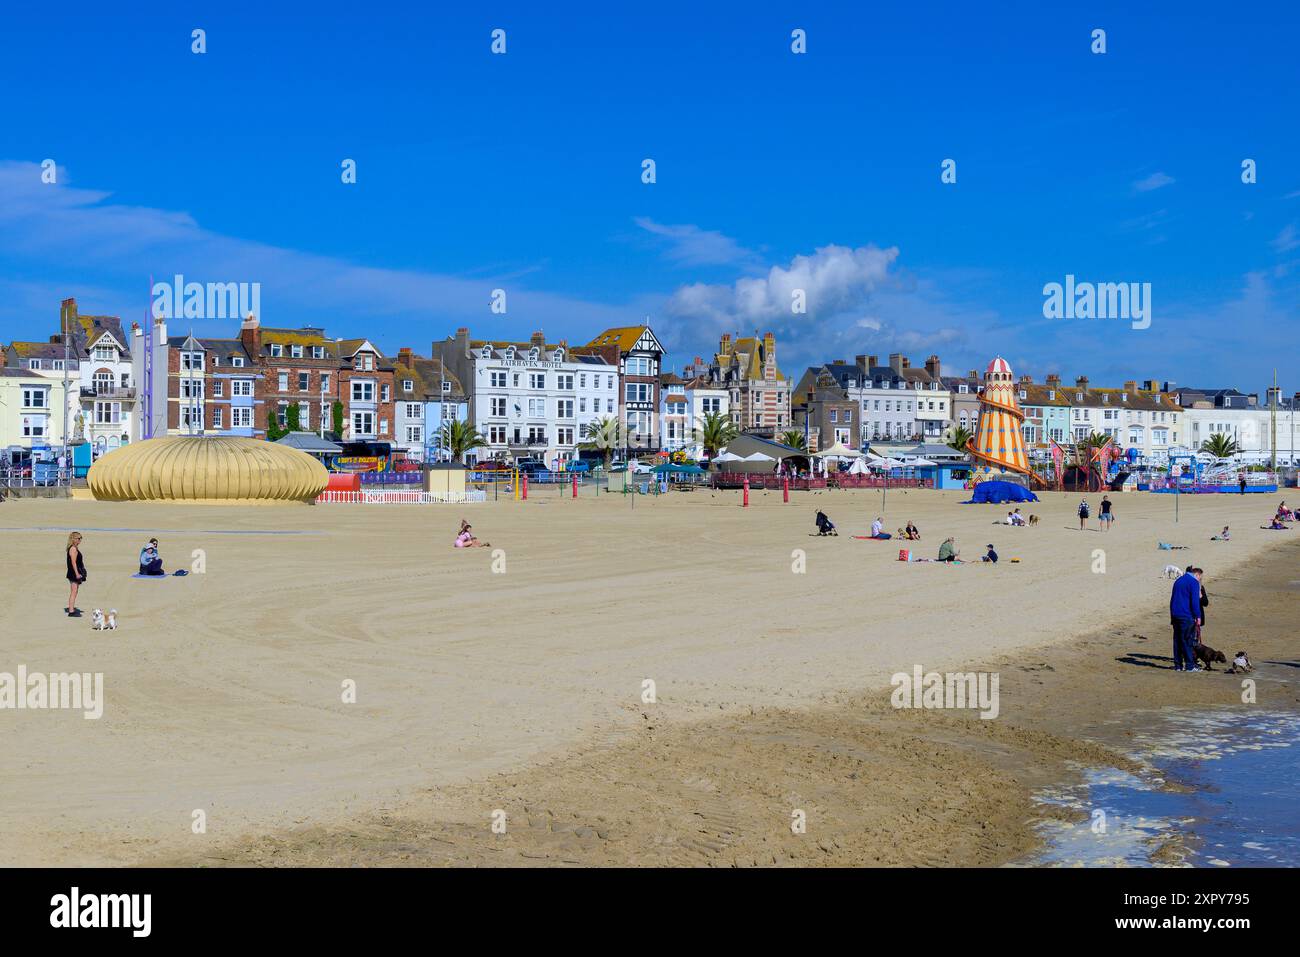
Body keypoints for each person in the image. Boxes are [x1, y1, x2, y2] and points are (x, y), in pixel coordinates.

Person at [1169, 567, 1202, 672]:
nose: (1200, 580)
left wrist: (1172, 615)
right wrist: (1198, 616)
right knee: (1187, 641)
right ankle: (1189, 666)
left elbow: (1173, 599)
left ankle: (1178, 665)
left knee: (1177, 641)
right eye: (1200, 577)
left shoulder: (1178, 581)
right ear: (1196, 574)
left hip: (1175, 614)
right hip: (1186, 615)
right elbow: (1195, 601)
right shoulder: (1193, 582)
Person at [65, 531, 86, 617]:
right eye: (78, 538)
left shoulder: (74, 548)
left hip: (74, 572)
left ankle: (72, 609)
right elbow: (73, 563)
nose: (80, 540)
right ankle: (71, 611)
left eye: (81, 538)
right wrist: (77, 574)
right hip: (73, 573)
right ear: (74, 539)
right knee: (74, 591)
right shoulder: (73, 549)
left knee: (75, 591)